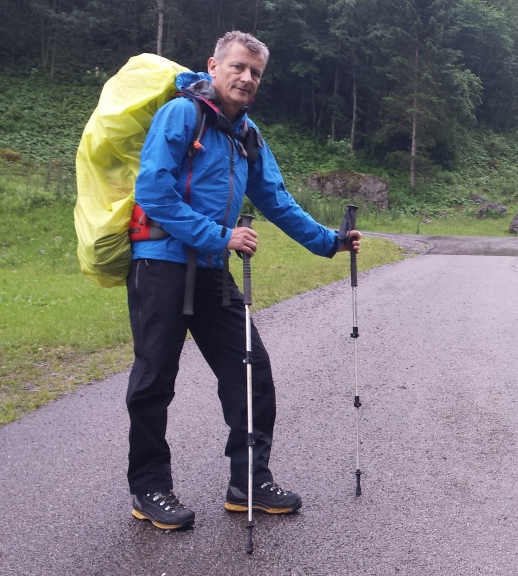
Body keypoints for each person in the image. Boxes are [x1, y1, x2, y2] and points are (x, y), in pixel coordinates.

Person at [126, 30, 361, 531]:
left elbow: (277, 201)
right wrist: (220, 235)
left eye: (255, 72)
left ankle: (248, 482)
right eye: (237, 67)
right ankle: (150, 489)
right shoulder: (181, 114)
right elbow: (152, 192)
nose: (246, 78)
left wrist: (330, 241)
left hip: (211, 270)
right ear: (213, 66)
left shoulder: (248, 135)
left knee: (251, 373)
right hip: (161, 263)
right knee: (154, 382)